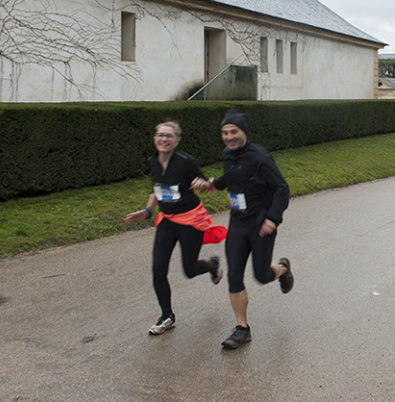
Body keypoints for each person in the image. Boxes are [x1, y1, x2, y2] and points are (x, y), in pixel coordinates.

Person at [193, 109, 294, 350]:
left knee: (261, 275)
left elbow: (282, 189)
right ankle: (242, 328)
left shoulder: (261, 157)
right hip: (238, 223)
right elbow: (231, 178)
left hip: (261, 225)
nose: (229, 137)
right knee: (234, 275)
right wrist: (210, 185)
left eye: (234, 132)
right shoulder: (227, 155)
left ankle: (282, 269)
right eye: (225, 133)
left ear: (243, 132)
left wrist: (273, 219)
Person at [124, 121, 223, 336]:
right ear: (155, 138)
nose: (164, 139)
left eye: (169, 136)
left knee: (189, 270)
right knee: (158, 269)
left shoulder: (186, 161)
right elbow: (157, 189)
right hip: (167, 220)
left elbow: (205, 184)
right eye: (160, 135)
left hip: (190, 220)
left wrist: (202, 185)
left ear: (176, 140)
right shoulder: (153, 161)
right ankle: (167, 315)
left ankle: (212, 264)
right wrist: (147, 210)